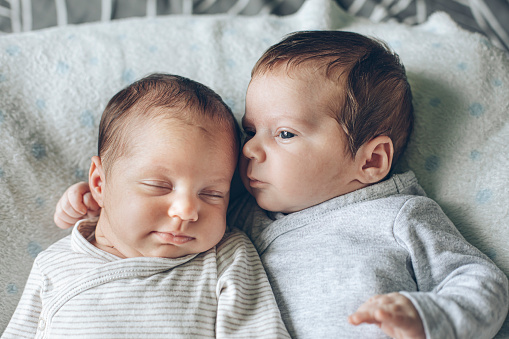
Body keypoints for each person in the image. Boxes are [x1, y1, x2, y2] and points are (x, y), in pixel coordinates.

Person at [52, 31, 509, 339]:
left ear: (371, 160)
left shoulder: (396, 217)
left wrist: (430, 317)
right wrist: (104, 199)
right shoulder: (242, 214)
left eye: (284, 134)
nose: (250, 150)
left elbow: (482, 281)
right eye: (251, 131)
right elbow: (179, 203)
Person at [2, 74, 290, 339]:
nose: (186, 210)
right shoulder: (55, 264)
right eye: (159, 187)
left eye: (213, 194)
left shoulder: (225, 257)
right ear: (100, 184)